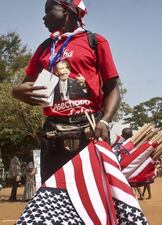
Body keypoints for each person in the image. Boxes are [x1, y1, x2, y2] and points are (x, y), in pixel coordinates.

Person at [11, 0, 121, 184]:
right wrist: (16, 92)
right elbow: (27, 85)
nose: (43, 17)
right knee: (54, 197)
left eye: (48, 11)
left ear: (66, 11)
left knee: (93, 194)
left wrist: (105, 120)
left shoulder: (95, 41)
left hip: (89, 129)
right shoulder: (45, 48)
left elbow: (112, 88)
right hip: (53, 134)